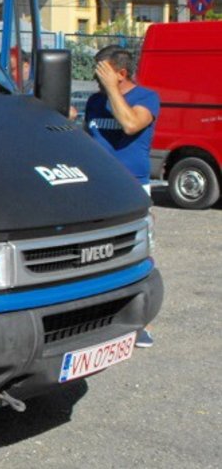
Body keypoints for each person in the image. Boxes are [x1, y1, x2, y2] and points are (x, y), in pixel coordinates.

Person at [83, 45, 160, 348]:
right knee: (90, 257)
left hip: (131, 190)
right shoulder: (94, 101)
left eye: (102, 69)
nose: (95, 76)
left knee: (135, 256)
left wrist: (113, 90)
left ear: (121, 73)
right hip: (95, 188)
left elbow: (130, 124)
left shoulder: (146, 98)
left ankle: (140, 323)